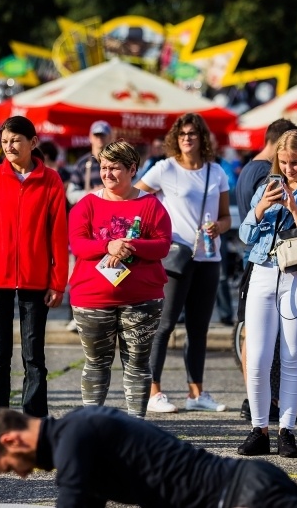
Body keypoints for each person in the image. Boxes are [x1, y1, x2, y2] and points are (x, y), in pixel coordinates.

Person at [0, 406, 297, 508]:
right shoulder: (78, 433)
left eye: (8, 467)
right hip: (249, 486)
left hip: (243, 498)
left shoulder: (75, 439)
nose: (19, 475)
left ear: (11, 440)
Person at [236, 129, 297, 457]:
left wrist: (295, 210)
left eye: (295, 162)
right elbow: (246, 235)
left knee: (292, 357)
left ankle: (287, 431)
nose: (290, 168)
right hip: (263, 271)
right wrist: (261, 208)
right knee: (258, 358)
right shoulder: (267, 187)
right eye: (283, 162)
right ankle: (259, 429)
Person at [0, 116, 68, 418]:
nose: (9, 146)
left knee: (34, 355)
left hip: (36, 281)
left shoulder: (51, 180)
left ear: (32, 142)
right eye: (5, 141)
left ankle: (34, 418)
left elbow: (58, 234)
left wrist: (58, 281)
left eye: (15, 140)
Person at [136, 113, 231, 413]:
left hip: (209, 256)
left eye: (193, 133)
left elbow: (227, 216)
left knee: (198, 328)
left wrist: (219, 227)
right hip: (175, 256)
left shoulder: (216, 172)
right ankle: (153, 392)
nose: (187, 138)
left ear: (203, 138)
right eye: (182, 134)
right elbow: (137, 197)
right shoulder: (165, 169)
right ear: (175, 139)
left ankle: (196, 393)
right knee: (163, 326)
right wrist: (157, 230)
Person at [68, 141, 172, 418]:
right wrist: (108, 246)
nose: (107, 174)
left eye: (115, 168)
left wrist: (131, 245)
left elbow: (163, 245)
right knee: (96, 363)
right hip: (92, 299)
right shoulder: (86, 204)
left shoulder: (151, 205)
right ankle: (92, 425)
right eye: (103, 168)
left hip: (142, 300)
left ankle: (136, 427)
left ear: (132, 169)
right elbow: (77, 244)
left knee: (137, 363)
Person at [66, 120, 113, 205]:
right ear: (90, 137)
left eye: (102, 135)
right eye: (96, 135)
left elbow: (132, 187)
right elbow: (71, 195)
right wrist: (91, 193)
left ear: (110, 137)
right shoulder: (82, 164)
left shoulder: (118, 162)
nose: (99, 138)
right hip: (91, 211)